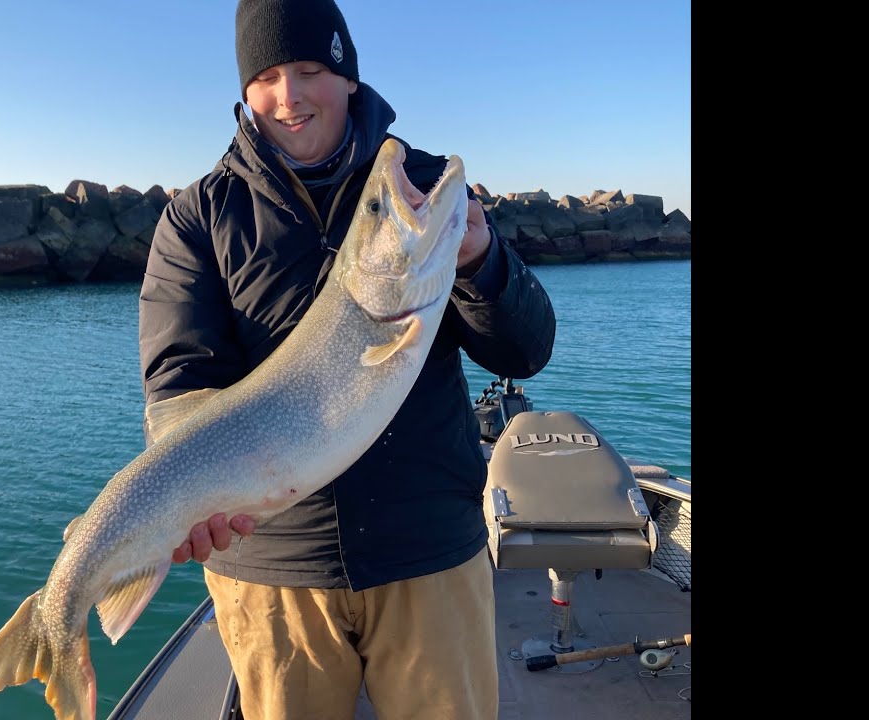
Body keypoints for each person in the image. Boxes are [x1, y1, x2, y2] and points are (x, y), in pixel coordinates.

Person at [137, 1, 556, 718]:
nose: (290, 95)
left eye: (311, 70)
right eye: (266, 77)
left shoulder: (420, 189)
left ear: (349, 78)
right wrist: (193, 498)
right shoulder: (201, 216)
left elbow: (525, 348)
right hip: (271, 571)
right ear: (244, 93)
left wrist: (482, 263)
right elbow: (180, 389)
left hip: (429, 550)